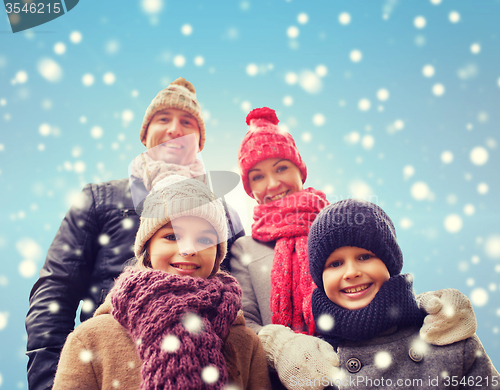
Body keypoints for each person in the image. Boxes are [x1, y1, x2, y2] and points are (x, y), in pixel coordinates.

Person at [230, 107, 478, 390]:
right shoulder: (244, 248)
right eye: (258, 176)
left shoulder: (341, 224)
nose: (272, 183)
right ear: (249, 187)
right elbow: (243, 322)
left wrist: (431, 309)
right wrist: (282, 345)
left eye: (281, 168)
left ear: (300, 169)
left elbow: (385, 283)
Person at [25, 78, 244, 390]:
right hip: (112, 367)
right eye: (163, 119)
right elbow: (56, 291)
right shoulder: (100, 198)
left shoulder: (226, 214)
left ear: (200, 141)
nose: (174, 129)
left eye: (187, 122)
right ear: (145, 134)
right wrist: (55, 381)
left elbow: (237, 299)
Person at [52, 175, 271, 390]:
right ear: (147, 249)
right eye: (172, 236)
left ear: (217, 256)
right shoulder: (91, 339)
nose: (188, 249)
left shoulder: (245, 343)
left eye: (205, 239)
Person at [304, 199, 499, 389]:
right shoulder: (312, 362)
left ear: (390, 264)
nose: (351, 272)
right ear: (320, 279)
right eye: (335, 264)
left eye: (364, 257)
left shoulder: (449, 340)